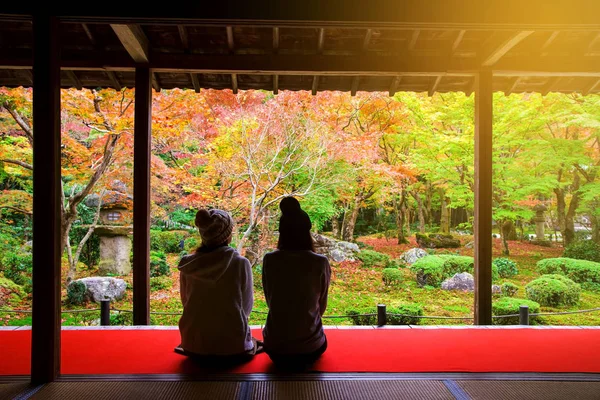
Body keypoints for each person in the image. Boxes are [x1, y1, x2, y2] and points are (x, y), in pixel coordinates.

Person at [175, 208, 262, 362]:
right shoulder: (240, 263)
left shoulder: (189, 265)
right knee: (257, 343)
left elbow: (185, 301)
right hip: (232, 347)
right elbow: (246, 307)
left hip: (193, 344)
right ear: (227, 235)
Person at [262, 197, 331, 369]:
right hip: (311, 347)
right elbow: (321, 305)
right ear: (306, 233)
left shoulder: (270, 260)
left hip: (275, 348)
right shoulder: (319, 262)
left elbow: (270, 300)